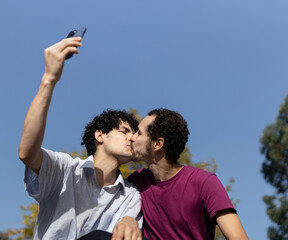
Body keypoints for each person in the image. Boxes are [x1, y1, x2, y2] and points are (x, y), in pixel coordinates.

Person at [18, 37, 142, 240]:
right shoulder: (65, 169)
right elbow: (26, 152)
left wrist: (129, 221)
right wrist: (49, 78)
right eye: (124, 131)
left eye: (134, 135)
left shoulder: (131, 197)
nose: (131, 139)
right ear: (100, 135)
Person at [127, 108, 249, 240]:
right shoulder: (135, 182)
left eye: (139, 133)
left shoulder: (204, 182)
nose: (131, 138)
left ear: (157, 144)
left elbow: (238, 237)